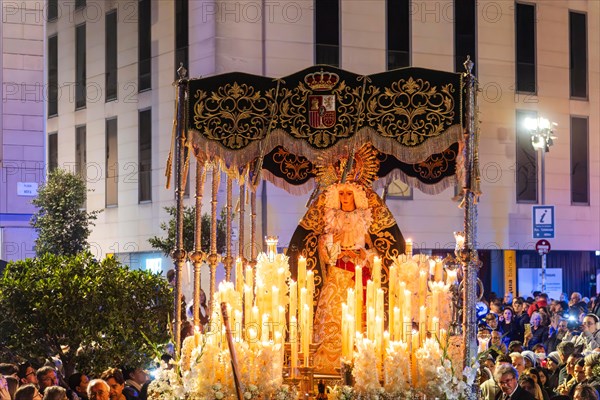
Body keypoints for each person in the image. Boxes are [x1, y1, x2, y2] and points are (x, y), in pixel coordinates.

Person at [312, 182, 378, 372]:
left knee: (360, 314)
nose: (345, 197)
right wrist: (334, 246)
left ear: (356, 196)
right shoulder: (333, 219)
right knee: (333, 314)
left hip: (358, 271)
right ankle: (330, 363)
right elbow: (326, 253)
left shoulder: (362, 219)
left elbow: (371, 250)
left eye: (349, 193)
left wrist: (363, 256)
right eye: (342, 194)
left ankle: (359, 362)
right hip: (338, 271)